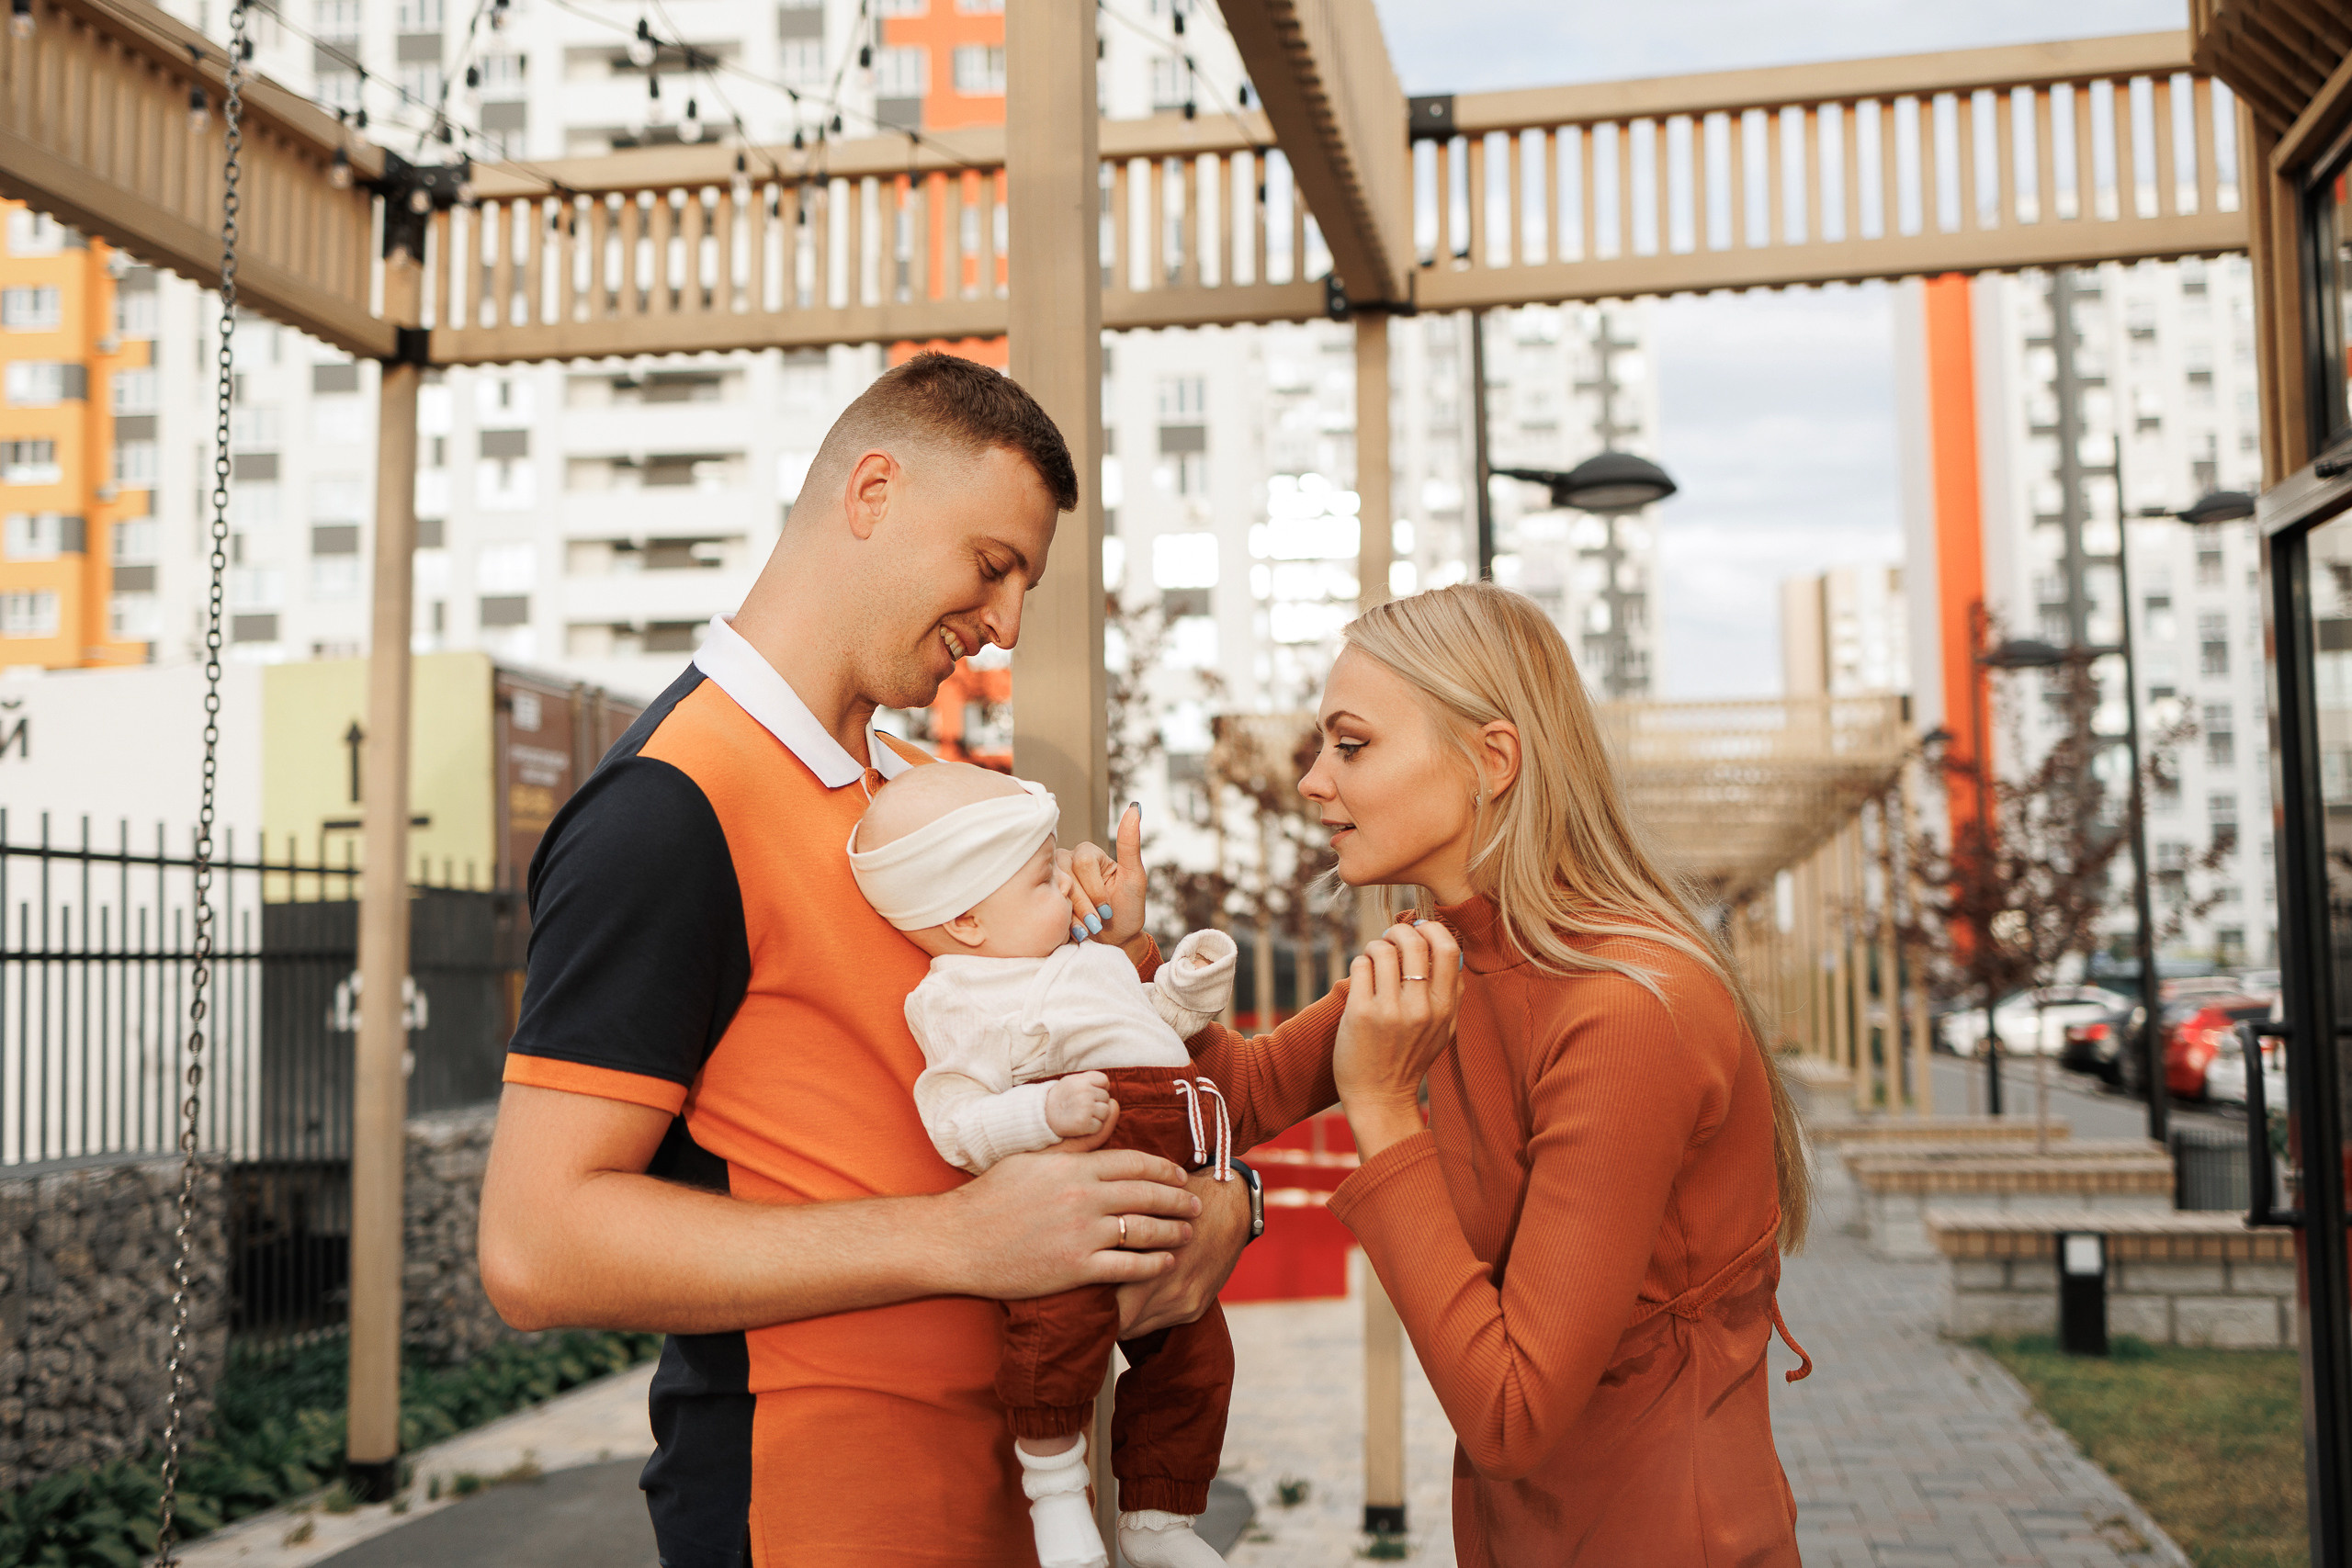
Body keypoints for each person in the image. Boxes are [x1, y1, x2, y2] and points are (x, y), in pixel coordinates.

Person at [476, 353, 1335, 1568]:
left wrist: (1217, 1210)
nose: (1006, 625)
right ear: (871, 492)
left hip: (1005, 1509)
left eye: (1025, 583)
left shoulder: (917, 805)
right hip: (808, 1520)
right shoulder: (667, 808)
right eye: (993, 565)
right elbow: (535, 1244)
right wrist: (961, 1241)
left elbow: (1061, 1094)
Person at [1203, 581, 1815, 1564]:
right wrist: (1140, 957)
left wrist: (1383, 1106)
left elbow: (1511, 1412)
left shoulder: (1624, 1009)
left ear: (1492, 760)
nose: (1313, 780)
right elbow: (1232, 1098)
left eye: (1350, 745)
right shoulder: (1442, 953)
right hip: (1520, 1536)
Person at [846, 761, 1240, 1568]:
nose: (1068, 888)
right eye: (1042, 878)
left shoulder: (1083, 957)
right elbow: (954, 1121)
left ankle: (1158, 1518)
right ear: (966, 923)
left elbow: (1145, 1020)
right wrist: (1042, 1113)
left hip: (1171, 1162)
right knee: (1055, 1343)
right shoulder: (959, 998)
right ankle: (1057, 1493)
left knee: (1198, 1359)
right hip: (1079, 1177)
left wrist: (1188, 987)